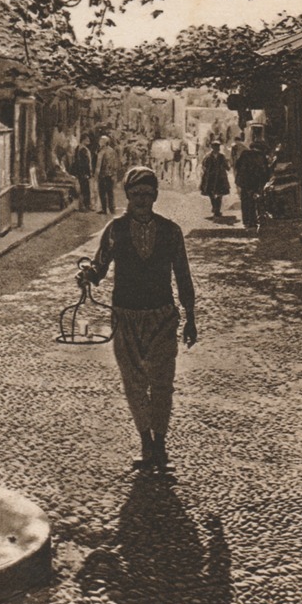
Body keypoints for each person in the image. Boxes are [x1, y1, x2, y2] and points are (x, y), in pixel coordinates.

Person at [77, 166, 197, 470]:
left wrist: (190, 316)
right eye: (135, 194)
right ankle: (145, 443)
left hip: (162, 316)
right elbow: (99, 268)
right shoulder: (115, 231)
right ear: (128, 195)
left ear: (155, 196)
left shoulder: (171, 232)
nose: (141, 199)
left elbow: (183, 275)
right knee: (133, 383)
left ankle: (160, 444)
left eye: (147, 194)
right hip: (125, 316)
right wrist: (86, 276)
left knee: (162, 383)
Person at [234, 140, 271, 229]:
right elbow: (265, 171)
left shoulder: (244, 154)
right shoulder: (261, 157)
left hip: (244, 182)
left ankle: (247, 221)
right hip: (256, 182)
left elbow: (237, 165)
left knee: (245, 200)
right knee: (256, 200)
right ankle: (254, 221)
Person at [199, 140, 230, 218]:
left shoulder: (222, 156)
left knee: (220, 194)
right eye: (215, 146)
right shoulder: (208, 156)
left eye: (218, 146)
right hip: (211, 177)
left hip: (220, 177)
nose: (217, 148)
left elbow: (227, 166)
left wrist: (226, 167)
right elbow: (204, 165)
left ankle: (217, 210)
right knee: (211, 193)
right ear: (212, 147)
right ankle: (215, 207)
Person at [95, 134, 118, 214]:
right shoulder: (112, 151)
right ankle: (112, 209)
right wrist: (114, 173)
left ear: (105, 142)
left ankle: (104, 209)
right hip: (110, 175)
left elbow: (99, 165)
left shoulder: (102, 151)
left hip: (103, 175)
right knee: (110, 192)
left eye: (101, 141)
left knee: (102, 192)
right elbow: (115, 163)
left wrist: (96, 175)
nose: (99, 142)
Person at [71, 133, 94, 211]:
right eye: (87, 140)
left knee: (84, 189)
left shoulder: (79, 148)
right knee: (85, 189)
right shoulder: (83, 149)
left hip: (80, 172)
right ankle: (84, 206)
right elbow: (85, 163)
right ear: (83, 140)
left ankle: (85, 205)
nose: (89, 141)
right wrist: (87, 173)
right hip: (83, 172)